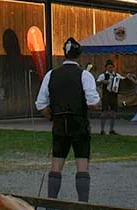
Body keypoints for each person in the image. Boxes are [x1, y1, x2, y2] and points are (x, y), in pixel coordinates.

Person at [35, 37, 100, 203]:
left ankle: (51, 203)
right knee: (82, 164)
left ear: (64, 54)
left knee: (56, 165)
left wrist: (52, 117)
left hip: (59, 122)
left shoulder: (51, 74)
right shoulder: (84, 75)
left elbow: (40, 104)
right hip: (79, 122)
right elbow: (93, 103)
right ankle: (82, 204)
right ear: (79, 55)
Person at [96, 59, 121, 134]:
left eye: (112, 67)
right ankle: (102, 130)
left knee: (113, 113)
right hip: (106, 95)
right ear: (106, 67)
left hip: (114, 95)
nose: (111, 69)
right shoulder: (103, 75)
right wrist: (102, 81)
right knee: (104, 112)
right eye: (109, 67)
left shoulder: (116, 75)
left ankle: (111, 130)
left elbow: (122, 80)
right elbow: (97, 83)